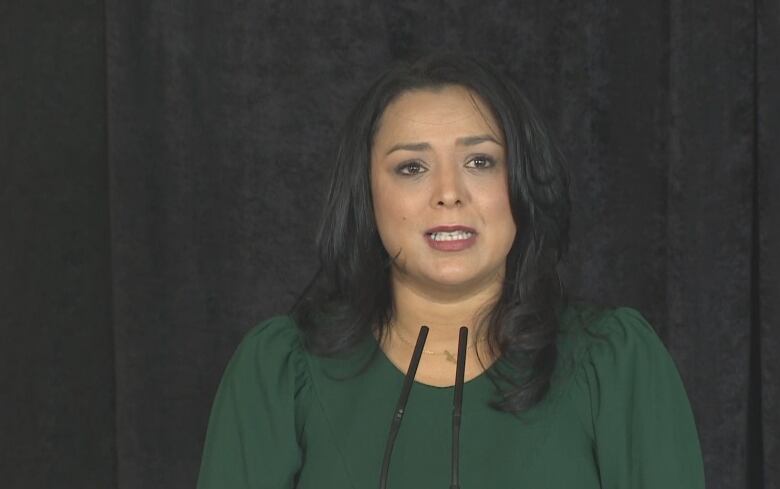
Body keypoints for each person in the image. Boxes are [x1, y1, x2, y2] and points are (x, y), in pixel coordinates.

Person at [196, 53, 705, 488]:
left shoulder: (614, 363)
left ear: (523, 181)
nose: (448, 192)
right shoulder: (279, 373)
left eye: (481, 161)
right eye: (411, 167)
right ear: (367, 196)